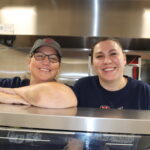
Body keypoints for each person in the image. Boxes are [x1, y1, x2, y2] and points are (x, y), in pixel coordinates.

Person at [73, 37, 150, 110]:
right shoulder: (82, 87)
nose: (107, 61)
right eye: (99, 56)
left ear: (124, 59)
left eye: (113, 54)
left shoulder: (143, 91)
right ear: (92, 63)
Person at [0, 38, 77, 108]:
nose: (46, 62)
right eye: (40, 56)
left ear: (59, 68)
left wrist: (14, 93)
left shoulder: (66, 90)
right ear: (29, 62)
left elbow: (63, 97)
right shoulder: (12, 84)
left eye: (53, 58)